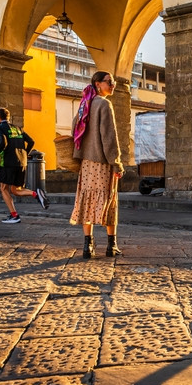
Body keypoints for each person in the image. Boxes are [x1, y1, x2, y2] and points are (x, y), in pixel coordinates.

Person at [70, 71, 124, 258]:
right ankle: (111, 245)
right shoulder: (104, 104)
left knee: (87, 201)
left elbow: (74, 129)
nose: (113, 85)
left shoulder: (85, 104)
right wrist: (116, 163)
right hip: (102, 163)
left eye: (114, 82)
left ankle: (88, 246)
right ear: (98, 83)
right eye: (110, 82)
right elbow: (109, 138)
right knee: (109, 201)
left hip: (87, 163)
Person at [0, 108, 49, 224]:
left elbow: (3, 143)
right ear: (8, 117)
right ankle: (35, 193)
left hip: (8, 162)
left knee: (4, 189)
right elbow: (31, 141)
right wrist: (25, 153)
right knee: (15, 190)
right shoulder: (18, 128)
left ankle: (14, 216)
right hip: (21, 163)